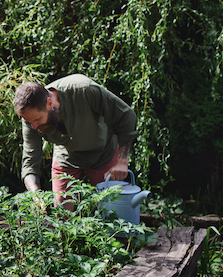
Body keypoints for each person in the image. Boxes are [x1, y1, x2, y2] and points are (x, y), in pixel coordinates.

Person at [13, 74, 139, 208]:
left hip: (103, 152)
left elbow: (126, 117)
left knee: (110, 208)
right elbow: (30, 162)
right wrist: (35, 194)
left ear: (50, 103)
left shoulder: (84, 90)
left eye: (37, 120)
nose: (33, 126)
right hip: (67, 156)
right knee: (62, 212)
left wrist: (122, 161)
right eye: (29, 122)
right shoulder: (31, 117)